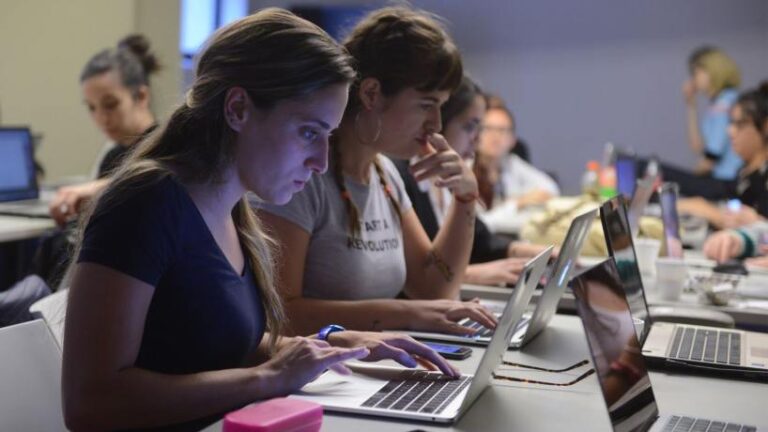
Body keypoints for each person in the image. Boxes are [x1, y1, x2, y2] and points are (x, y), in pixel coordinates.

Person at [62, 9, 457, 432]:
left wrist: (333, 342)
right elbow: (91, 404)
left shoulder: (234, 205)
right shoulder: (145, 204)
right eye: (309, 132)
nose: (322, 161)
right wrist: (266, 379)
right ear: (238, 108)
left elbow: (226, 348)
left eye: (329, 135)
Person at [255, 7, 498, 337]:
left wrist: (465, 199)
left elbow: (431, 289)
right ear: (371, 94)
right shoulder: (304, 176)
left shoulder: (384, 173)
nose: (436, 124)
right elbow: (280, 315)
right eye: (427, 104)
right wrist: (402, 314)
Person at [395, 75, 549, 286]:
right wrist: (471, 274)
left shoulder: (448, 174)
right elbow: (416, 279)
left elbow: (480, 240)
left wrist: (538, 253)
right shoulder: (401, 176)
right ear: (441, 124)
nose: (477, 140)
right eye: (470, 127)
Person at [49, 34, 160, 226]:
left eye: (110, 104)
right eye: (92, 108)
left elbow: (153, 179)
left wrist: (101, 188)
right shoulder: (112, 155)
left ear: (141, 96)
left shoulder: (167, 143)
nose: (101, 119)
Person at [679, 83, 768, 229]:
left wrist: (713, 214)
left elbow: (758, 228)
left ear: (765, 126)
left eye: (739, 124)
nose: (730, 131)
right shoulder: (744, 171)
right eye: (730, 123)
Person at [473, 95, 560, 233]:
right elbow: (481, 224)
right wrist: (518, 203)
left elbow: (550, 189)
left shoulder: (511, 163)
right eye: (488, 128)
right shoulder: (465, 168)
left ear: (513, 140)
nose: (495, 137)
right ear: (476, 133)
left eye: (502, 130)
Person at [682, 46, 743, 181]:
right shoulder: (720, 102)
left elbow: (711, 157)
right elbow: (698, 146)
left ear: (711, 72)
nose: (693, 79)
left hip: (728, 179)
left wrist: (687, 180)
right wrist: (691, 106)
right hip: (723, 178)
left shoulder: (724, 104)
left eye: (695, 73)